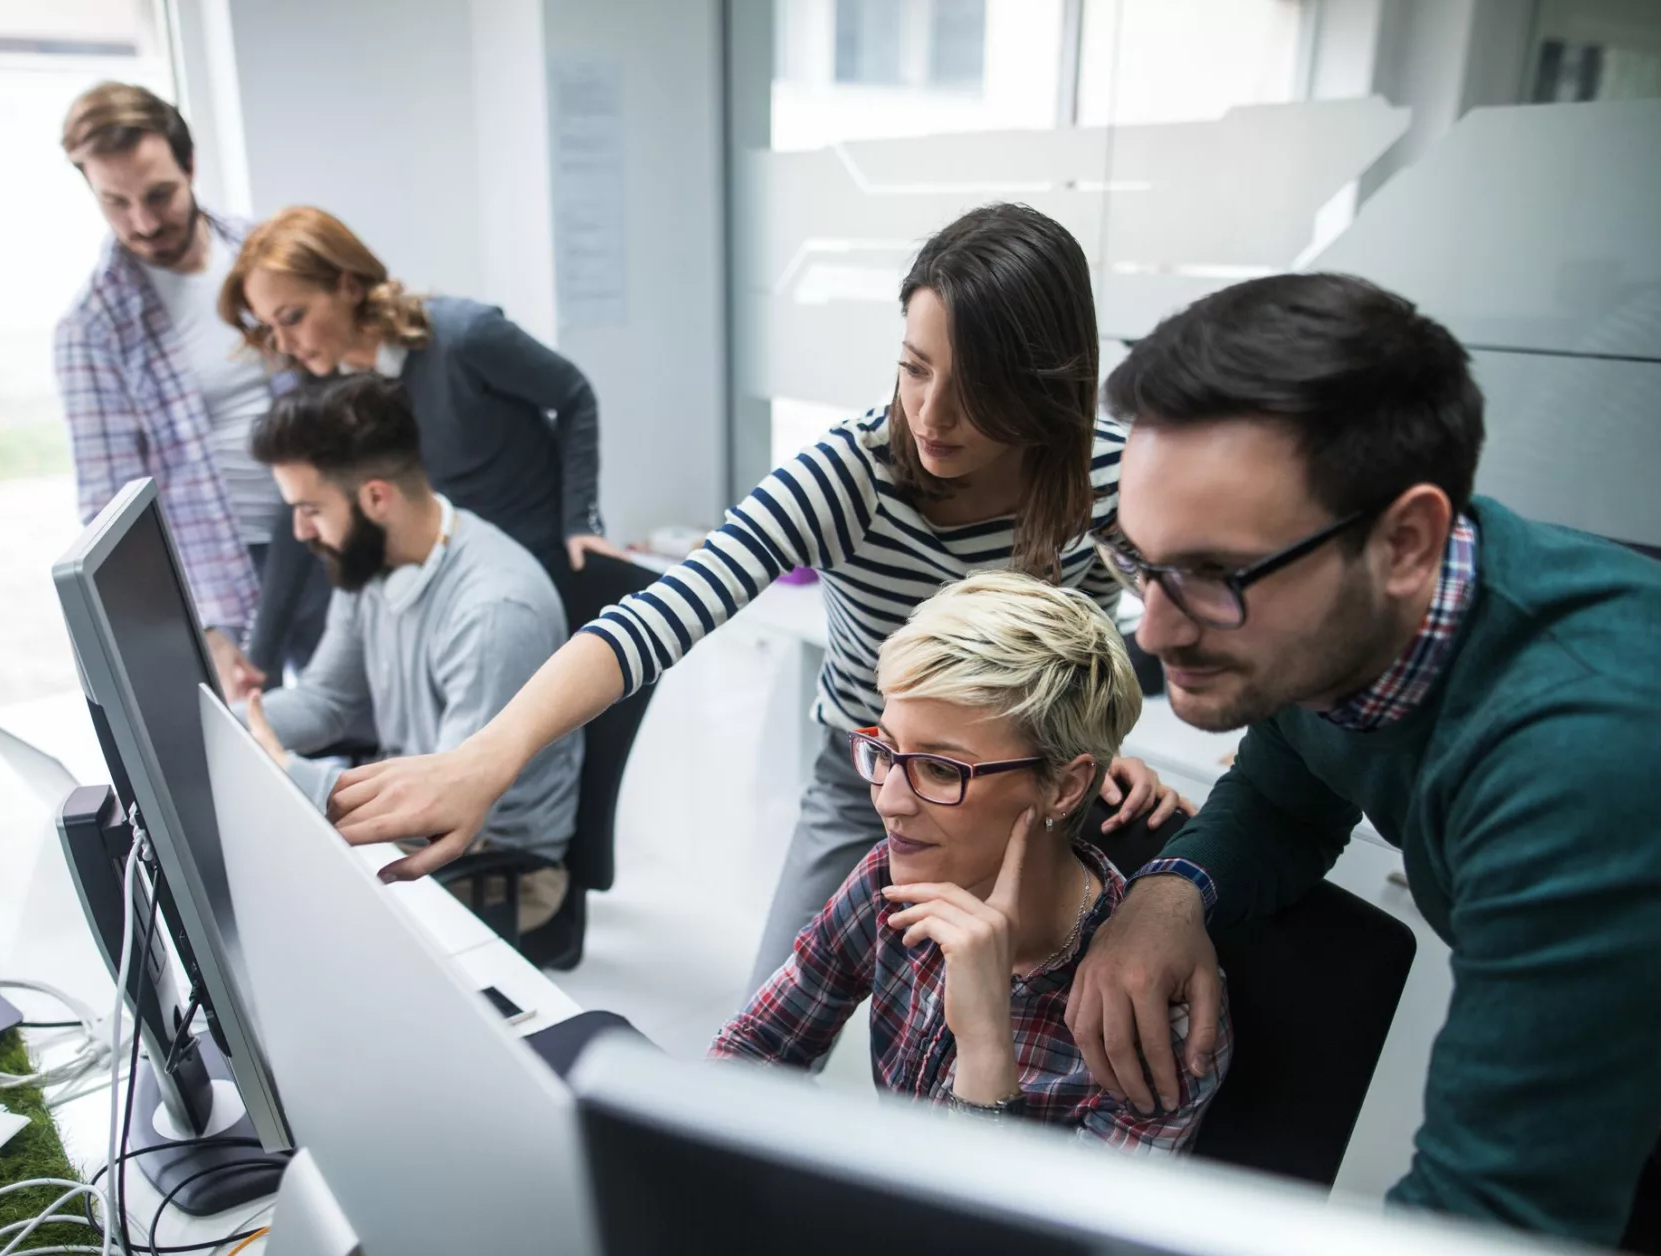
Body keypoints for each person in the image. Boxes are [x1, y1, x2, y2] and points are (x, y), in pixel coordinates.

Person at [320, 201, 1191, 992]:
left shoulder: (1106, 478)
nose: (931, 415)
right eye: (914, 369)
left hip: (1027, 790)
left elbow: (1139, 635)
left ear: (1043, 385)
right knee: (767, 1022)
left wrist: (1093, 747)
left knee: (986, 1041)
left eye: (977, 392)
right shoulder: (853, 473)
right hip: (870, 783)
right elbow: (664, 612)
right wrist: (486, 757)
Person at [1067, 272, 1661, 1244]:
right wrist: (1168, 889)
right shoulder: (1353, 630)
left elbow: (1484, 1231)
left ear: (1406, 540)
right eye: (1142, 560)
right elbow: (1286, 790)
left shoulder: (1587, 760)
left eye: (1219, 574)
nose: (1162, 627)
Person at [712, 572, 1229, 1150]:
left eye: (940, 769)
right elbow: (755, 1049)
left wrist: (986, 1046)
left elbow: (1029, 1242)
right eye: (885, 751)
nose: (888, 801)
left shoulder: (1153, 1016)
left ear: (1063, 787)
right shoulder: (890, 880)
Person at [242, 374, 582, 931]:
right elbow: (327, 700)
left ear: (376, 497)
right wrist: (211, 721)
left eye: (310, 509)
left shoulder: (494, 609)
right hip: (418, 813)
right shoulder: (370, 559)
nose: (300, 531)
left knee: (275, 921)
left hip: (493, 868)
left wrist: (285, 771)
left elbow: (444, 809)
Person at [53, 82, 328, 697]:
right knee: (261, 748)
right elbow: (111, 511)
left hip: (325, 535)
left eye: (159, 195)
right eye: (116, 203)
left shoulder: (261, 253)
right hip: (221, 577)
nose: (144, 222)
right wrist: (201, 622)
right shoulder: (93, 328)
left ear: (191, 165)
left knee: (363, 726)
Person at [218, 205, 620, 576]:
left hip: (543, 556)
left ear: (349, 286)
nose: (284, 345)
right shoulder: (326, 386)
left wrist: (581, 522)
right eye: (269, 327)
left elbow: (574, 395)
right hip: (457, 569)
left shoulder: (466, 337)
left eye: (293, 317)